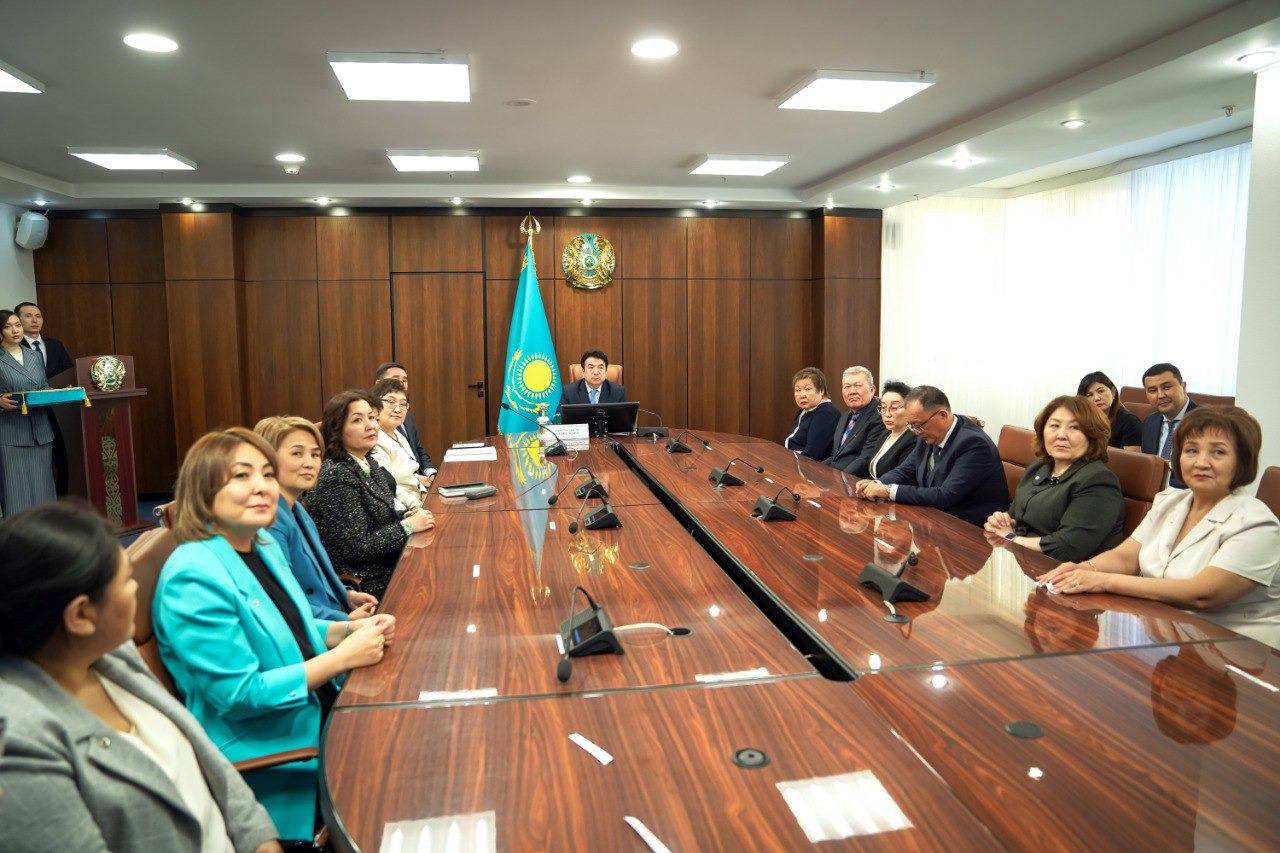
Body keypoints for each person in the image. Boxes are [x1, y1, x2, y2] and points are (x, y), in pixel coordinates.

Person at [153, 427, 396, 841]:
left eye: (267, 474)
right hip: (278, 750)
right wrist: (342, 657)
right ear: (202, 491)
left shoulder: (259, 543)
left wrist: (345, 630)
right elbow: (241, 694)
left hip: (323, 707)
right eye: (241, 475)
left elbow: (290, 628)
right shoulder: (192, 576)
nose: (262, 486)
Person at [0, 502, 283, 852]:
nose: (136, 589)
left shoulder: (108, 655)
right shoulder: (19, 746)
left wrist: (258, 836)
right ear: (81, 616)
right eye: (126, 581)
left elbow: (206, 757)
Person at [1042, 406, 1280, 649]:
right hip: (1169, 635)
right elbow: (1126, 557)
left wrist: (1102, 580)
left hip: (1236, 651)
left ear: (1242, 461)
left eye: (1218, 452)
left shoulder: (1256, 523)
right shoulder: (1169, 501)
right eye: (1191, 450)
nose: (1201, 462)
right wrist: (1081, 569)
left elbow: (1203, 594)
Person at [303, 390, 434, 599]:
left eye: (372, 418)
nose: (370, 425)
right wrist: (408, 526)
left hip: (390, 564)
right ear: (337, 429)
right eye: (357, 420)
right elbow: (355, 548)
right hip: (366, 584)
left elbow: (383, 510)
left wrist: (405, 516)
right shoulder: (335, 475)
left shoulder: (367, 461)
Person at [255, 416, 378, 622]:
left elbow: (316, 575)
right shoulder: (269, 521)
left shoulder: (297, 509)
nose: (309, 463)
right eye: (297, 453)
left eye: (315, 454)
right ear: (267, 460)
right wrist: (345, 622)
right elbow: (284, 604)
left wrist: (346, 595)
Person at [984, 395, 1124, 561]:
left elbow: (1067, 547)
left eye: (1075, 428)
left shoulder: (1099, 481)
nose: (1061, 435)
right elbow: (1015, 514)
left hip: (1065, 570)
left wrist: (1010, 537)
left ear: (1093, 436)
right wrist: (1002, 521)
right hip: (1023, 559)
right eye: (1054, 426)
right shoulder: (1039, 466)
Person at [854, 385, 1008, 526]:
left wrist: (888, 491)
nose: (916, 432)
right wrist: (878, 484)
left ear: (942, 415)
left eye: (918, 425)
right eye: (911, 426)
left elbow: (945, 495)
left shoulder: (973, 444)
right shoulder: (927, 432)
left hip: (968, 528)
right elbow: (907, 470)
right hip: (934, 519)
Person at [0, 308, 56, 516]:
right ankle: (18, 533)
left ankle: (46, 530)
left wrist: (58, 393)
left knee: (43, 487)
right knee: (16, 490)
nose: (15, 330)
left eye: (17, 325)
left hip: (40, 430)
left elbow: (43, 386)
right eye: (8, 327)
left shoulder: (34, 355)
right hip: (11, 433)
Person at [15, 301, 73, 495]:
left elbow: (69, 371)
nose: (34, 320)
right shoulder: (13, 348)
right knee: (37, 462)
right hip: (28, 413)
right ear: (18, 321)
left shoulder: (55, 345)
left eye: (38, 316)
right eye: (28, 316)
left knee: (63, 458)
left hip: (59, 412)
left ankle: (63, 501)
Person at [369, 377, 427, 512]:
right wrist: (419, 506)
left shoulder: (397, 433)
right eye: (390, 402)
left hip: (418, 500)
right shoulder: (374, 439)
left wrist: (424, 493)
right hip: (404, 509)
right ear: (375, 407)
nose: (398, 409)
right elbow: (387, 486)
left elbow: (411, 475)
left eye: (403, 404)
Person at [374, 361, 436, 480]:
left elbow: (418, 450)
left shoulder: (405, 417)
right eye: (390, 401)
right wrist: (417, 481)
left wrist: (431, 473)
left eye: (404, 380)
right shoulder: (374, 435)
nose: (401, 383)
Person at [1139, 362, 1197, 488]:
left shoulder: (1205, 422)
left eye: (1166, 387)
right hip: (1153, 493)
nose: (1160, 395)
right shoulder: (1150, 422)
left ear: (1183, 387)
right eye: (1153, 390)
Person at [847, 380, 917, 479]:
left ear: (909, 409)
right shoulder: (885, 434)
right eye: (883, 407)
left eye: (894, 408)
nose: (887, 414)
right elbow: (873, 472)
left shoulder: (913, 440)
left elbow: (902, 477)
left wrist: (874, 484)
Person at [822, 366, 886, 473]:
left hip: (854, 478)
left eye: (857, 386)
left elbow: (866, 459)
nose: (852, 391)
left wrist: (838, 478)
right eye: (847, 387)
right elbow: (835, 457)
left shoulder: (879, 417)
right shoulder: (846, 415)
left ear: (872, 390)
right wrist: (814, 470)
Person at [784, 367, 840, 461]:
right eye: (798, 390)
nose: (802, 395)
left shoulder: (827, 412)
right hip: (794, 460)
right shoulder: (803, 411)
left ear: (821, 391)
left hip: (809, 466)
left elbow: (812, 454)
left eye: (808, 389)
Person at [1077, 370, 1142, 451]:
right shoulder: (1082, 420)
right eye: (1089, 395)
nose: (1097, 398)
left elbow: (1132, 458)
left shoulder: (1130, 422)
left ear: (1113, 392)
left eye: (1101, 391)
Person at [561, 349, 626, 405]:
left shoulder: (618, 392)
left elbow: (625, 415)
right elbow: (560, 415)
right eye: (591, 367)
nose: (596, 372)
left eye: (600, 367)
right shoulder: (569, 392)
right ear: (583, 372)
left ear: (606, 372)